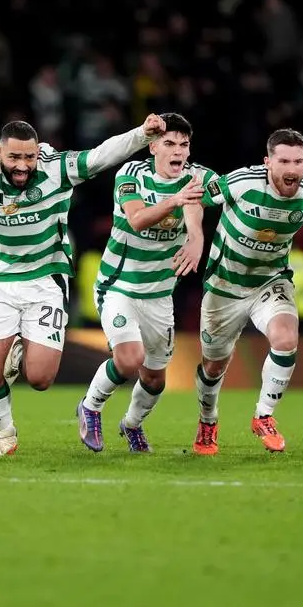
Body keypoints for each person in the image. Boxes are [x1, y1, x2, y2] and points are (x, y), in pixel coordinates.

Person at [0, 98, 164, 457]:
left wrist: (142, 134)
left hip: (45, 281)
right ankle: (4, 434)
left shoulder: (57, 168)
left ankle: (20, 350)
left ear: (38, 153)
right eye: (14, 157)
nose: (22, 165)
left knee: (41, 379)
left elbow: (102, 155)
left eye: (29, 157)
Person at [190, 129, 303, 456]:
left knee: (285, 338)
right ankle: (208, 420)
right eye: (283, 161)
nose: (291, 169)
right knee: (213, 367)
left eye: (297, 162)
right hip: (224, 285)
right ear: (267, 162)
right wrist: (195, 236)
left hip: (270, 281)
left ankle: (263, 416)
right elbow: (195, 197)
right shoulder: (242, 182)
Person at [78, 112, 206, 453]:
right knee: (129, 358)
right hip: (119, 286)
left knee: (154, 378)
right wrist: (175, 200)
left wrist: (196, 237)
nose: (178, 151)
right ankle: (90, 407)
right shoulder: (131, 174)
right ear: (153, 147)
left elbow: (201, 202)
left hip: (160, 294)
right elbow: (136, 219)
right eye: (169, 143)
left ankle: (132, 424)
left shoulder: (195, 177)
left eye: (183, 144)